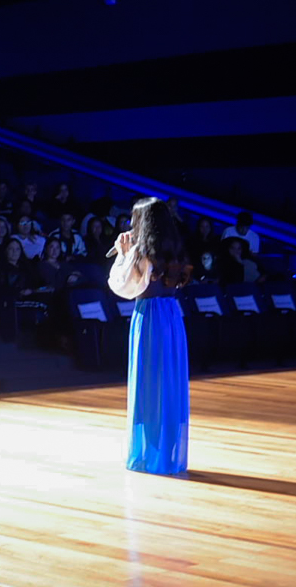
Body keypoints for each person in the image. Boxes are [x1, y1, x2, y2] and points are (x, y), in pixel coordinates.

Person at [108, 196, 192, 476]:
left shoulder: (142, 252)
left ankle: (150, 454)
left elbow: (122, 287)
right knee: (168, 381)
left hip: (151, 317)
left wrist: (123, 254)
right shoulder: (175, 250)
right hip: (172, 316)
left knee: (150, 384)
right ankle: (167, 451)